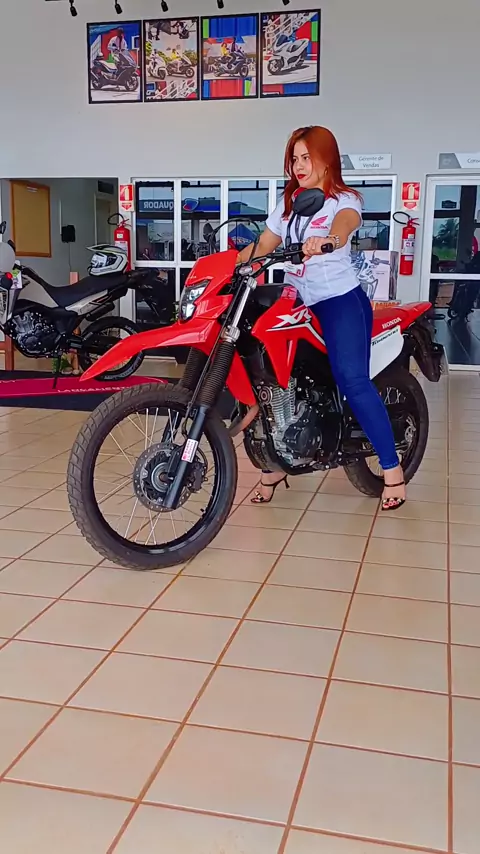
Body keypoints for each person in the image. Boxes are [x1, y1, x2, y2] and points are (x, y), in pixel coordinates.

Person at [238, 125, 406, 511]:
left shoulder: (342, 199)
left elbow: (345, 223)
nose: (299, 166)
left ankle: (392, 468)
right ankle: (277, 463)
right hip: (297, 301)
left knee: (352, 380)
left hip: (339, 300)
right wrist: (229, 262)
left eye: (306, 157)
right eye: (294, 159)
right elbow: (264, 244)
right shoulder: (288, 205)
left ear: (326, 159)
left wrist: (329, 240)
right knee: (271, 377)